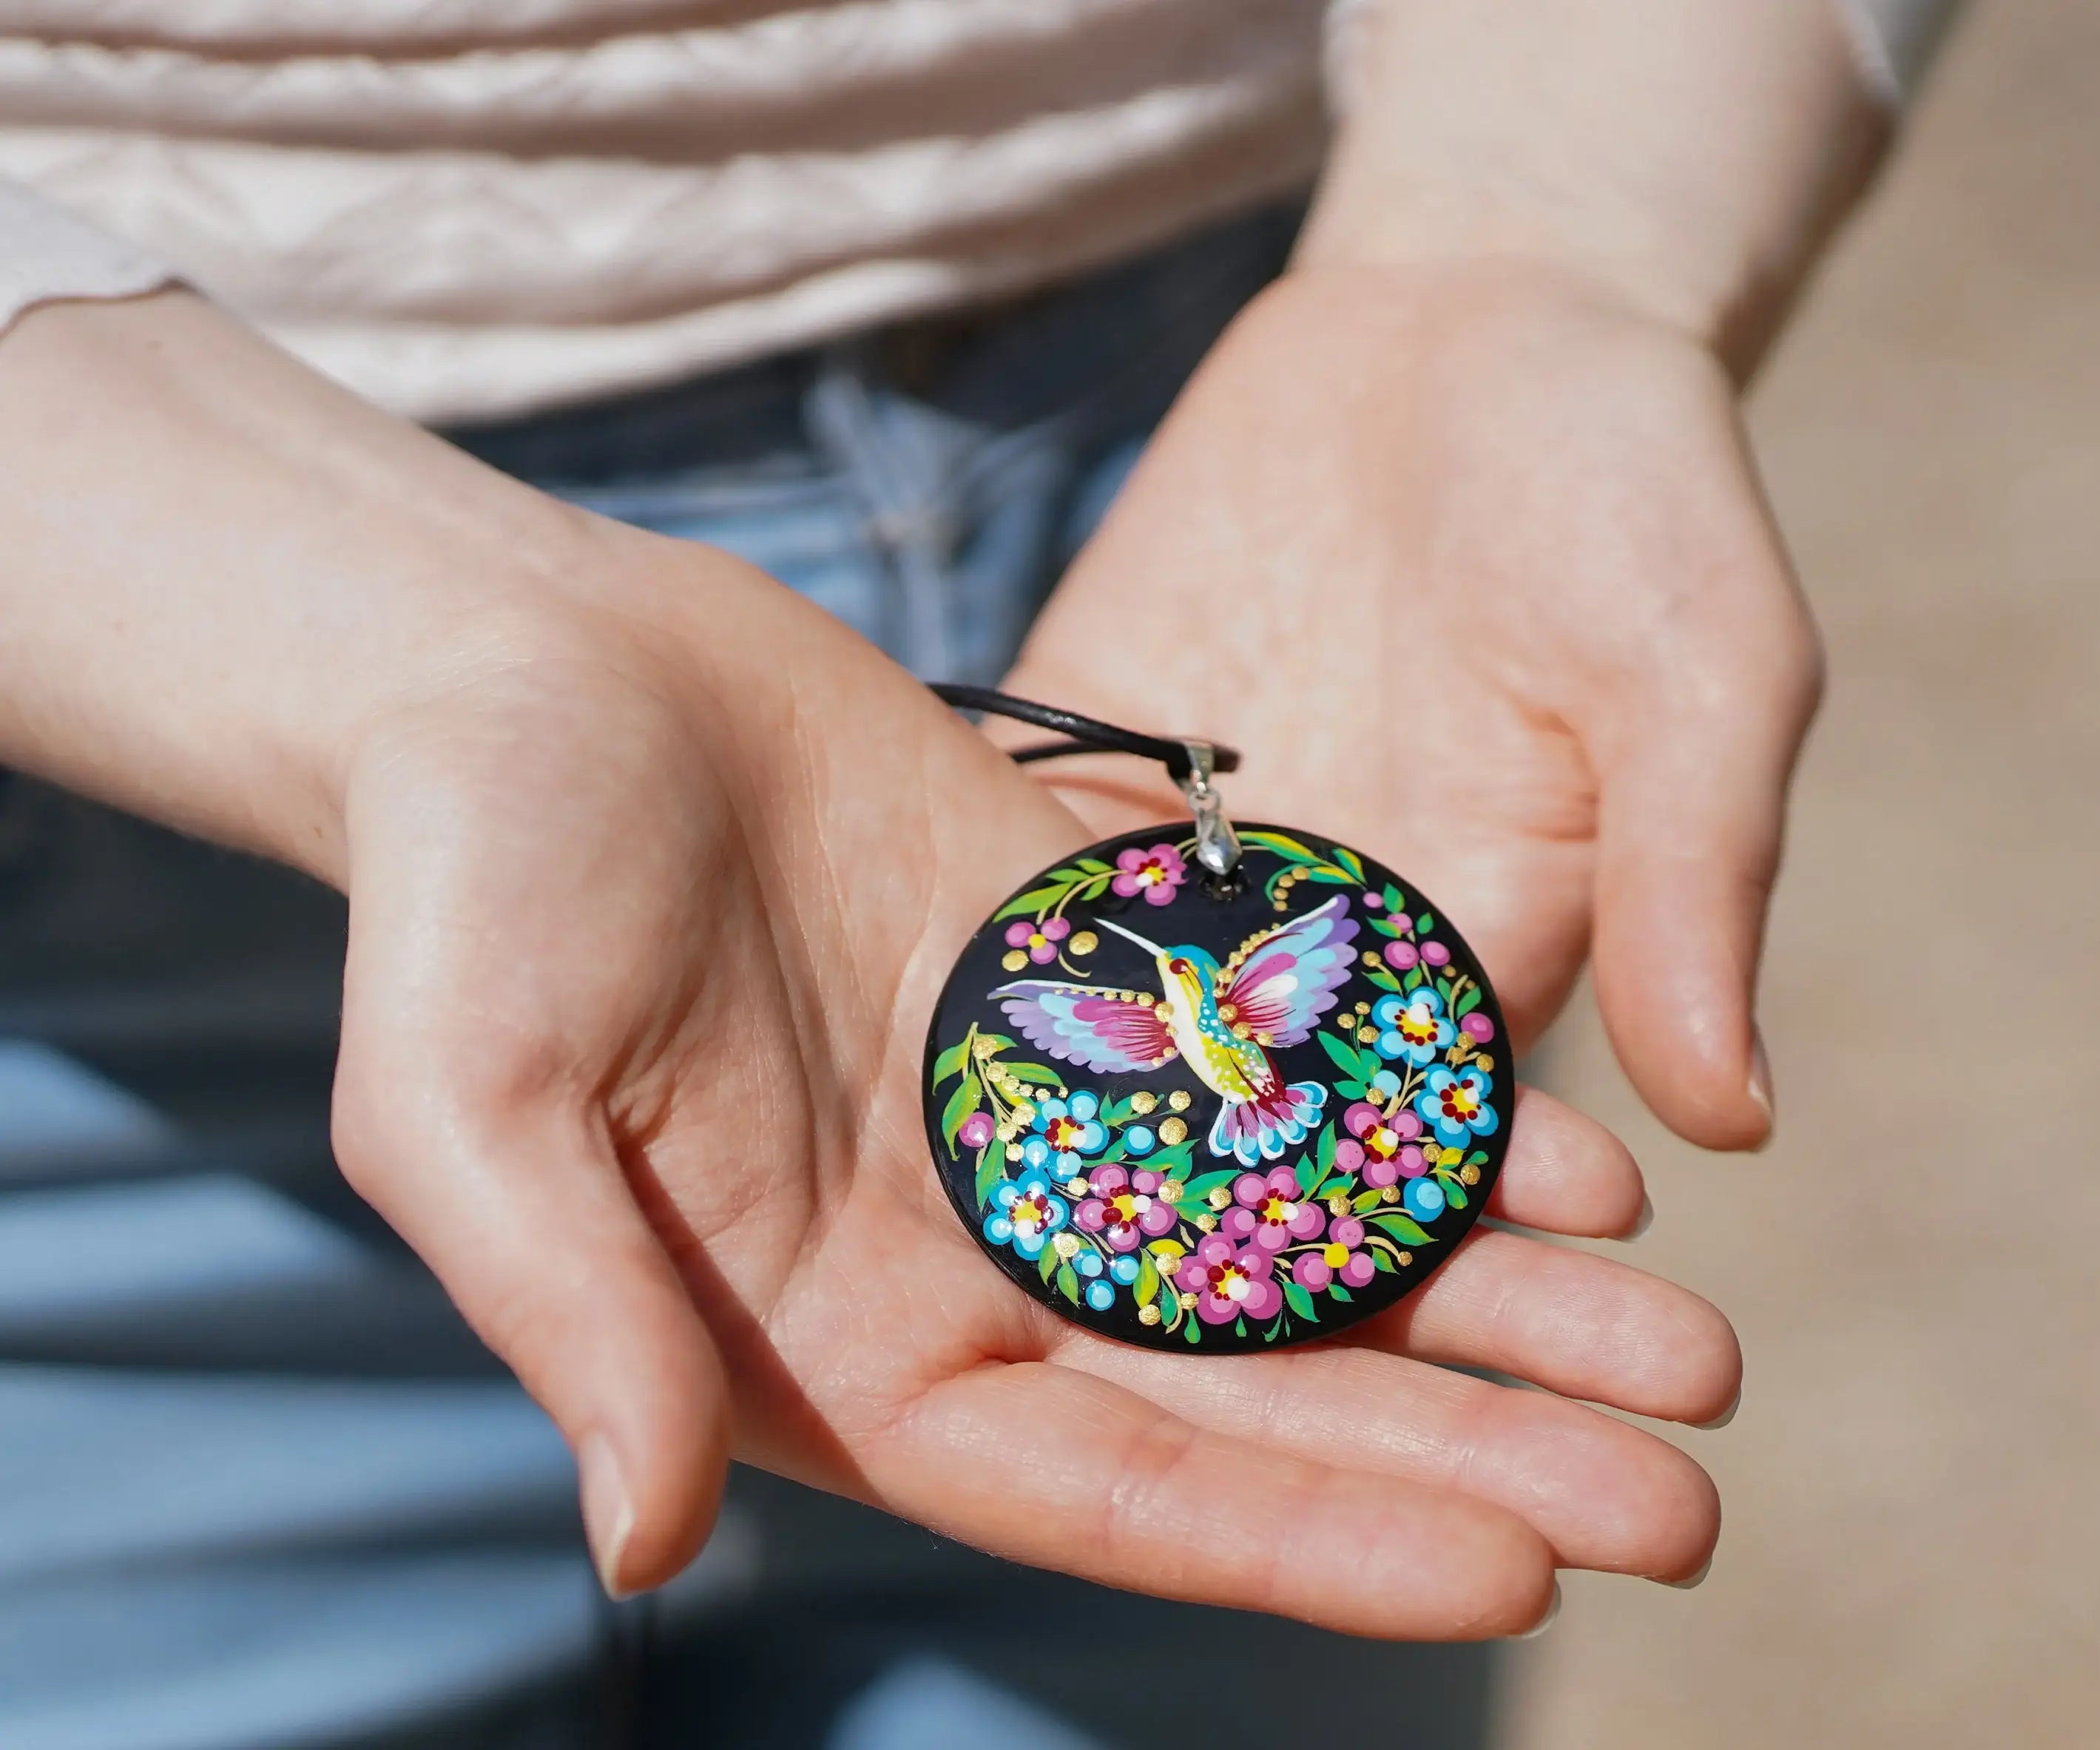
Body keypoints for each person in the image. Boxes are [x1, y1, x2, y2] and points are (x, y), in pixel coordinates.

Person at [0, 1, 1956, 1744]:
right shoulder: (1157, 1008)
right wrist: (384, 631)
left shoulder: (1219, 966)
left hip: (1273, 409)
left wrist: (1547, 230)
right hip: (122, 682)